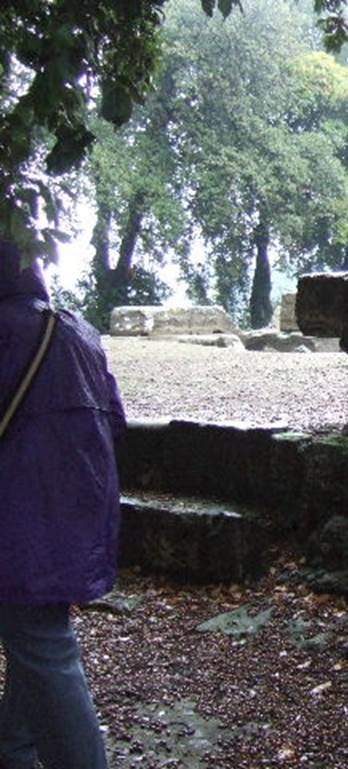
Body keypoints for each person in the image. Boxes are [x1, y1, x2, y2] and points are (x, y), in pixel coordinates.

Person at [0, 242, 125, 769]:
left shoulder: (6, 330)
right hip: (78, 514)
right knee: (37, 636)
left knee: (40, 642)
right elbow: (114, 418)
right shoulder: (77, 330)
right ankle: (12, 748)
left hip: (17, 516)